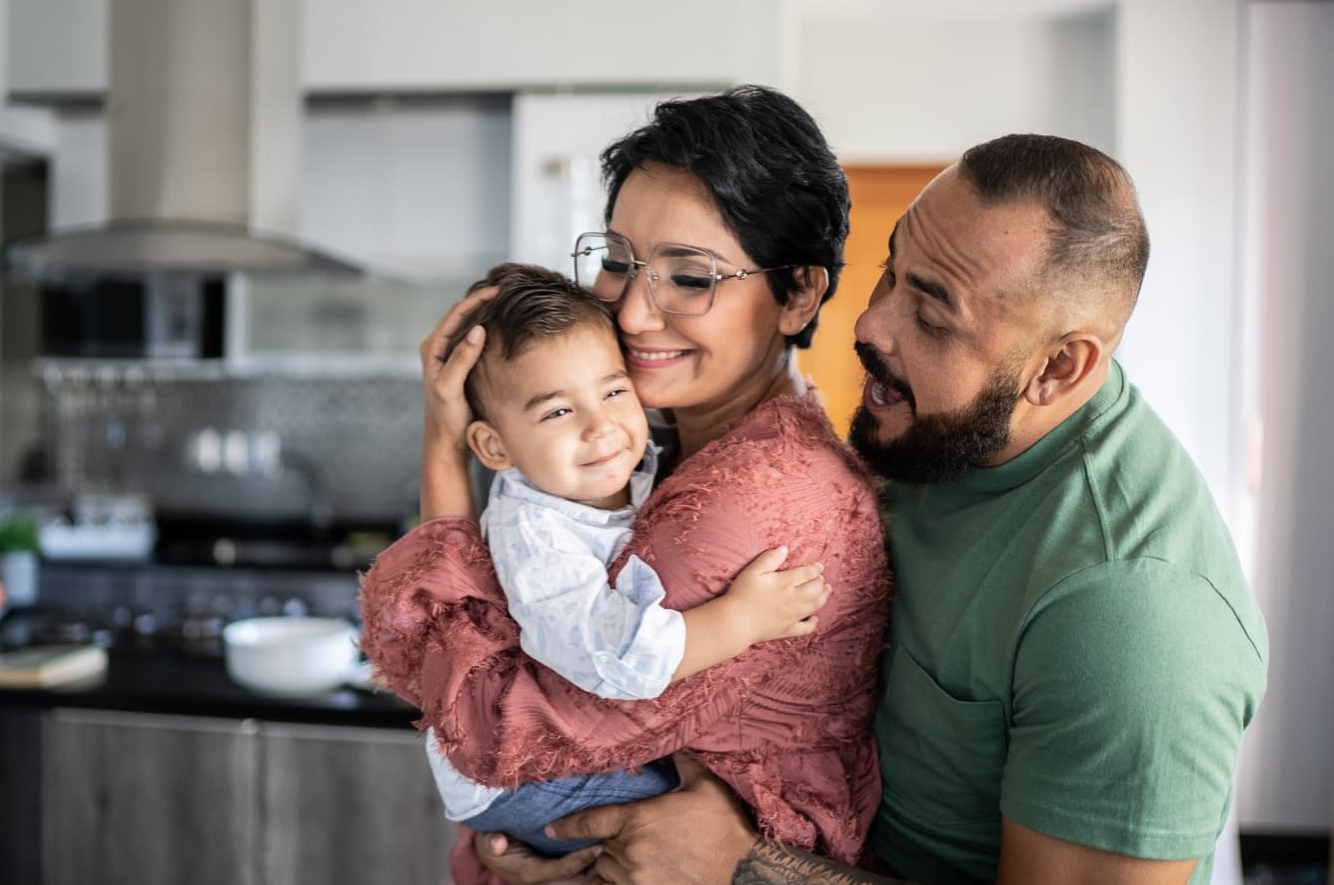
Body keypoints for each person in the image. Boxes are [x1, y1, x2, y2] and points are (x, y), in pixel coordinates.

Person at [535, 135, 1271, 885]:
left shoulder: (1134, 614)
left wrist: (743, 865)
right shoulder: (932, 437)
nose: (868, 325)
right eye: (892, 271)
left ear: (1057, 367)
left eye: (932, 314)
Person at [358, 84, 894, 884]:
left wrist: (443, 455)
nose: (635, 313)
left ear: (801, 293)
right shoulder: (657, 445)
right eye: (617, 262)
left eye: (691, 277)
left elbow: (494, 728)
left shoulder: (747, 501)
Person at [419, 261, 831, 858]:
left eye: (614, 390)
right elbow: (611, 656)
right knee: (692, 817)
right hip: (519, 783)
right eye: (558, 411)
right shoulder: (536, 537)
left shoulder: (607, 469)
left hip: (515, 770)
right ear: (494, 446)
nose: (601, 426)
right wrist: (742, 620)